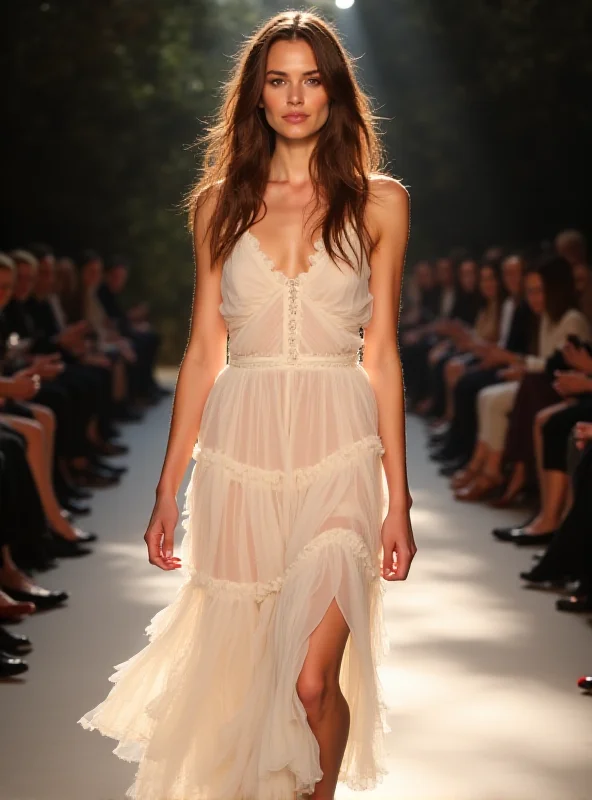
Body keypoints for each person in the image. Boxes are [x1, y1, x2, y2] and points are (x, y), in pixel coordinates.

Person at [77, 11, 415, 800]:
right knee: (250, 674)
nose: (295, 96)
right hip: (242, 454)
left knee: (309, 682)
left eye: (311, 78)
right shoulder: (218, 204)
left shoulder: (381, 203)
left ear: (334, 92)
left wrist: (400, 499)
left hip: (339, 443)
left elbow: (383, 353)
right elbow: (203, 350)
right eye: (277, 79)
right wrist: (168, 487)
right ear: (256, 96)